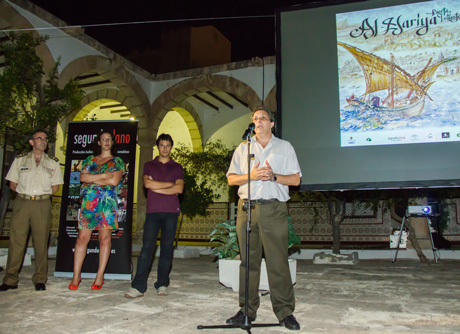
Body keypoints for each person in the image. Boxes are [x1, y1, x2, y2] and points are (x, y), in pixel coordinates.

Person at [226, 106, 302, 330]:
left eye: (263, 118)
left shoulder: (284, 147)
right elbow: (231, 179)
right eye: (255, 119)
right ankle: (246, 310)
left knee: (277, 263)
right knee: (248, 263)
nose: (258, 122)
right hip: (247, 210)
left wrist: (274, 176)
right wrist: (251, 175)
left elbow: (296, 180)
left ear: (272, 124)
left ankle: (285, 312)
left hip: (274, 210)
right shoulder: (243, 147)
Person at [0, 130, 63, 291]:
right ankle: (10, 279)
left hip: (42, 204)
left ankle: (40, 278)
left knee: (41, 242)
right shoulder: (20, 160)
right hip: (22, 202)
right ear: (31, 142)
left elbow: (55, 187)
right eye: (39, 138)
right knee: (17, 242)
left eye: (45, 139)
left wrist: (40, 193)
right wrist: (26, 192)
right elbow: (13, 184)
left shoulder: (52, 163)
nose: (43, 141)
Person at [125, 133, 184, 298]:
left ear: (171, 147)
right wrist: (169, 185)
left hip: (171, 212)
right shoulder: (149, 165)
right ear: (158, 147)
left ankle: (162, 283)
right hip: (153, 211)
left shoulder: (177, 167)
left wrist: (157, 188)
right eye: (162, 145)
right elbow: (147, 183)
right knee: (147, 248)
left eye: (168, 145)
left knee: (166, 249)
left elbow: (179, 189)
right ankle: (138, 287)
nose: (165, 148)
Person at [68, 130, 124, 291]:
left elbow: (114, 181)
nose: (106, 141)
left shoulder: (117, 161)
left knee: (104, 239)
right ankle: (76, 275)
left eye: (109, 139)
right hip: (89, 203)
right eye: (103, 139)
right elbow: (83, 178)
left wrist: (95, 177)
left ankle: (100, 276)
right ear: (98, 142)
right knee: (81, 238)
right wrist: (105, 175)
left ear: (112, 142)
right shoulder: (89, 159)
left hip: (107, 204)